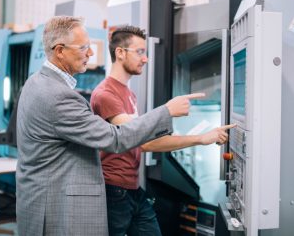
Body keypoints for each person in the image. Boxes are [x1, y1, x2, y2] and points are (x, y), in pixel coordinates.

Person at [16, 16, 205, 236]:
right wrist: (167, 111)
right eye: (84, 47)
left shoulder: (36, 82)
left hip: (45, 198)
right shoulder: (58, 96)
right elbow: (116, 139)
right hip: (58, 205)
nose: (90, 53)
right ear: (59, 51)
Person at [90, 25, 235, 236]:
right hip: (114, 191)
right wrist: (195, 135)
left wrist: (202, 138)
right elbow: (139, 140)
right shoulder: (105, 94)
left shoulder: (128, 94)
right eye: (140, 52)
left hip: (131, 189)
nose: (146, 59)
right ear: (120, 53)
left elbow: (145, 140)